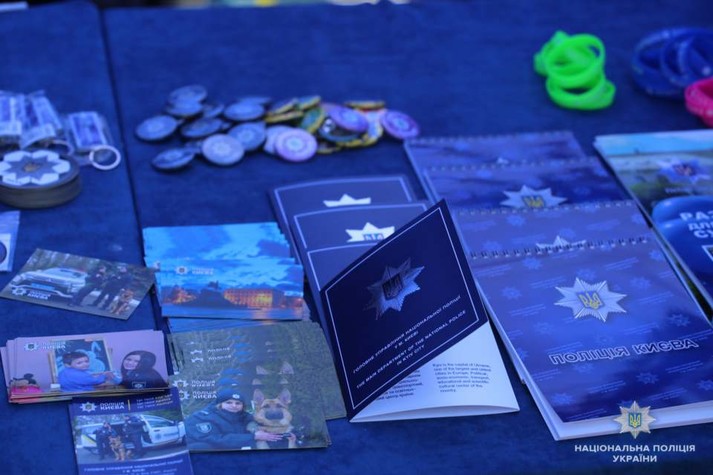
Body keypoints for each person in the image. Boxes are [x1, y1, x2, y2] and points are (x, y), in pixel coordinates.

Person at [185, 388, 283, 450]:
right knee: (201, 447)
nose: (234, 406)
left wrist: (286, 433)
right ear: (220, 404)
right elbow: (214, 440)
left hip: (236, 455)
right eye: (229, 402)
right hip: (207, 457)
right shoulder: (202, 417)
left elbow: (263, 424)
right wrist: (252, 437)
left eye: (238, 403)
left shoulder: (244, 416)